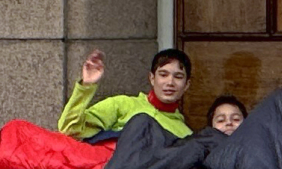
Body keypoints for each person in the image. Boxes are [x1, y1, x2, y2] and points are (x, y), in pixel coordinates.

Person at [60, 46, 193, 139]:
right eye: (163, 75)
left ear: (187, 85)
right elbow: (70, 129)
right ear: (152, 78)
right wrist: (86, 85)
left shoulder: (185, 135)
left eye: (178, 77)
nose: (170, 82)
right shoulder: (122, 105)